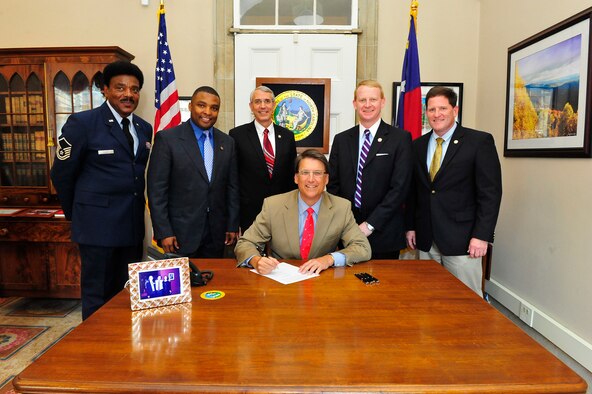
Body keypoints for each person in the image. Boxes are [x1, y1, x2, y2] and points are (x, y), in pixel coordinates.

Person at [50, 60, 152, 320]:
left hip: (131, 228)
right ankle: (96, 353)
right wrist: (80, 214)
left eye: (134, 89)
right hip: (97, 230)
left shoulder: (143, 127)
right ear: (105, 89)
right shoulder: (82, 123)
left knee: (127, 295)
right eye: (120, 87)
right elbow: (61, 174)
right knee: (98, 297)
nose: (128, 94)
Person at [405, 86, 502, 297]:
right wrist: (411, 226)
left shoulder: (479, 142)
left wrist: (481, 236)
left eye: (442, 108)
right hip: (426, 238)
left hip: (463, 240)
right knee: (428, 298)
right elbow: (415, 191)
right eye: (431, 110)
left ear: (455, 110)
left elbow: (490, 193)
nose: (436, 114)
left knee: (466, 301)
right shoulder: (417, 146)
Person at [235, 149, 371, 275]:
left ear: (326, 179)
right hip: (281, 280)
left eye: (317, 173)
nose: (311, 179)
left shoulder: (341, 207)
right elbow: (245, 243)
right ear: (296, 178)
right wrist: (256, 261)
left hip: (322, 280)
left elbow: (362, 248)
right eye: (305, 173)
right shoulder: (273, 205)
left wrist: (329, 259)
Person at [147, 86, 239, 258]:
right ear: (190, 106)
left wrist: (232, 224)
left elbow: (232, 188)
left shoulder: (227, 142)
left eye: (214, 108)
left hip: (216, 234)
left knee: (216, 282)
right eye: (201, 105)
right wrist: (164, 231)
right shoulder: (167, 139)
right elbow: (157, 191)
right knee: (184, 284)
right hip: (179, 235)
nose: (208, 112)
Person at [327, 80, 412, 260]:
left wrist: (371, 224)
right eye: (362, 100)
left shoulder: (400, 139)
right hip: (347, 230)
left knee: (382, 286)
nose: (367, 105)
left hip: (384, 231)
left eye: (372, 99)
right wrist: (345, 223)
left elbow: (400, 188)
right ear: (354, 104)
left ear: (382, 102)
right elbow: (333, 185)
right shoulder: (341, 139)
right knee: (347, 284)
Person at [229, 86, 297, 232]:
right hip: (249, 213)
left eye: (267, 101)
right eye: (257, 101)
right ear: (251, 106)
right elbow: (232, 179)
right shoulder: (237, 135)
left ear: (273, 105)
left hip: (282, 212)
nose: (263, 106)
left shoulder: (287, 136)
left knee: (280, 254)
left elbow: (292, 178)